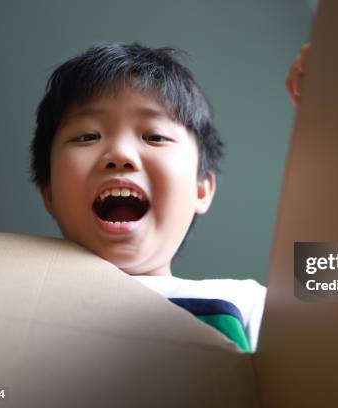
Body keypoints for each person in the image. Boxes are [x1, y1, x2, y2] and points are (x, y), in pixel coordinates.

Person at [29, 41, 310, 352]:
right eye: (87, 136)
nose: (120, 154)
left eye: (155, 137)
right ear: (49, 192)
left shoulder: (247, 303)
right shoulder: (14, 301)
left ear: (201, 189)